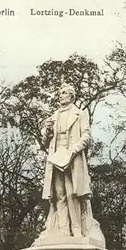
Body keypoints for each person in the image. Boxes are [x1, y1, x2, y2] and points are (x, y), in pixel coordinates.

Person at [41, 84, 93, 237]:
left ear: (71, 96)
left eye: (64, 92)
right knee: (59, 194)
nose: (60, 95)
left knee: (72, 193)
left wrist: (74, 149)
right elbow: (45, 142)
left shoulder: (80, 114)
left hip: (72, 158)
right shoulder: (54, 116)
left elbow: (87, 136)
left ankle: (77, 230)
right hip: (57, 158)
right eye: (60, 92)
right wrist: (48, 131)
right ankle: (63, 230)